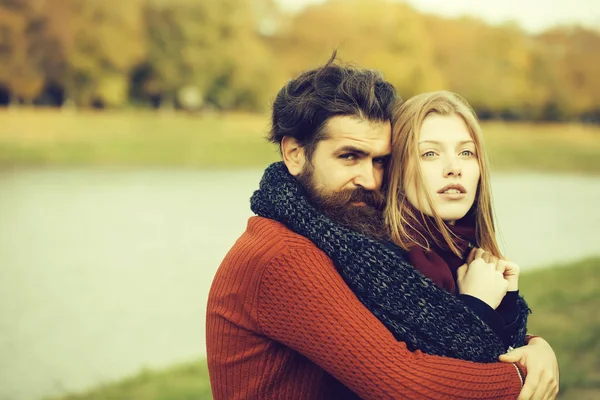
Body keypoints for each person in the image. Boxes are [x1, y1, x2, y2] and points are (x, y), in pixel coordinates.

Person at [206, 54, 559, 399]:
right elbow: (405, 383)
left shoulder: (345, 238)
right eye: (349, 156)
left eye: (380, 161)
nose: (371, 179)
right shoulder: (284, 256)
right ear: (295, 153)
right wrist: (524, 374)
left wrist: (533, 346)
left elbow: (414, 332)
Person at [384, 91, 529, 352]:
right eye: (429, 153)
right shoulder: (381, 263)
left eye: (466, 152)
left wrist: (507, 303)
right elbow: (430, 382)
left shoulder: (470, 257)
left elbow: (502, 363)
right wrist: (477, 303)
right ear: (397, 169)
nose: (454, 167)